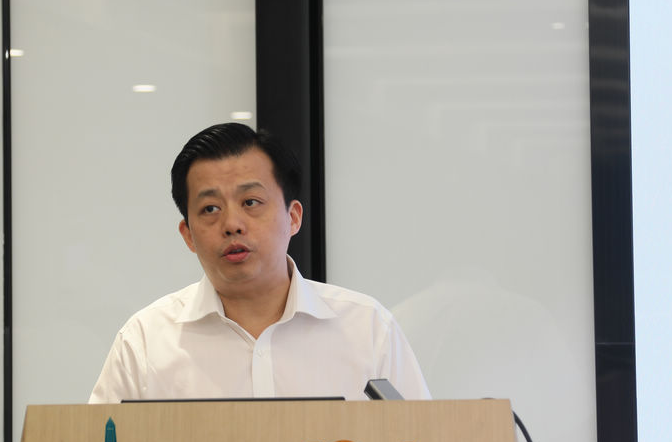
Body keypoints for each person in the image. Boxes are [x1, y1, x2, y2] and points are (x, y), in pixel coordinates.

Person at [89, 123, 430, 403]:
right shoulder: (145, 341)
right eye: (210, 209)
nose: (232, 224)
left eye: (251, 202)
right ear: (188, 234)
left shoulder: (368, 329)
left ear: (293, 217)